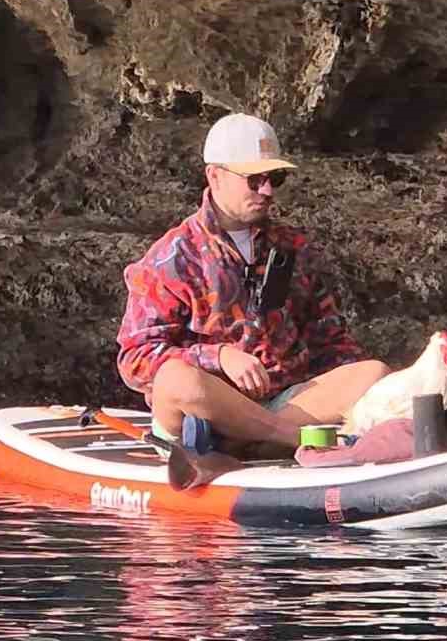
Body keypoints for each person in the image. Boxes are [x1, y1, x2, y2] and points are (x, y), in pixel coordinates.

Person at [116, 112, 389, 451]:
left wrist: (384, 398)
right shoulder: (169, 259)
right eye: (254, 179)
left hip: (285, 406)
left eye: (275, 178)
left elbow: (331, 341)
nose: (267, 190)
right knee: (177, 379)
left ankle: (257, 441)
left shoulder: (294, 247)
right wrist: (218, 357)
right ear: (214, 177)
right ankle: (280, 440)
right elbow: (135, 360)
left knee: (373, 373)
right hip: (205, 418)